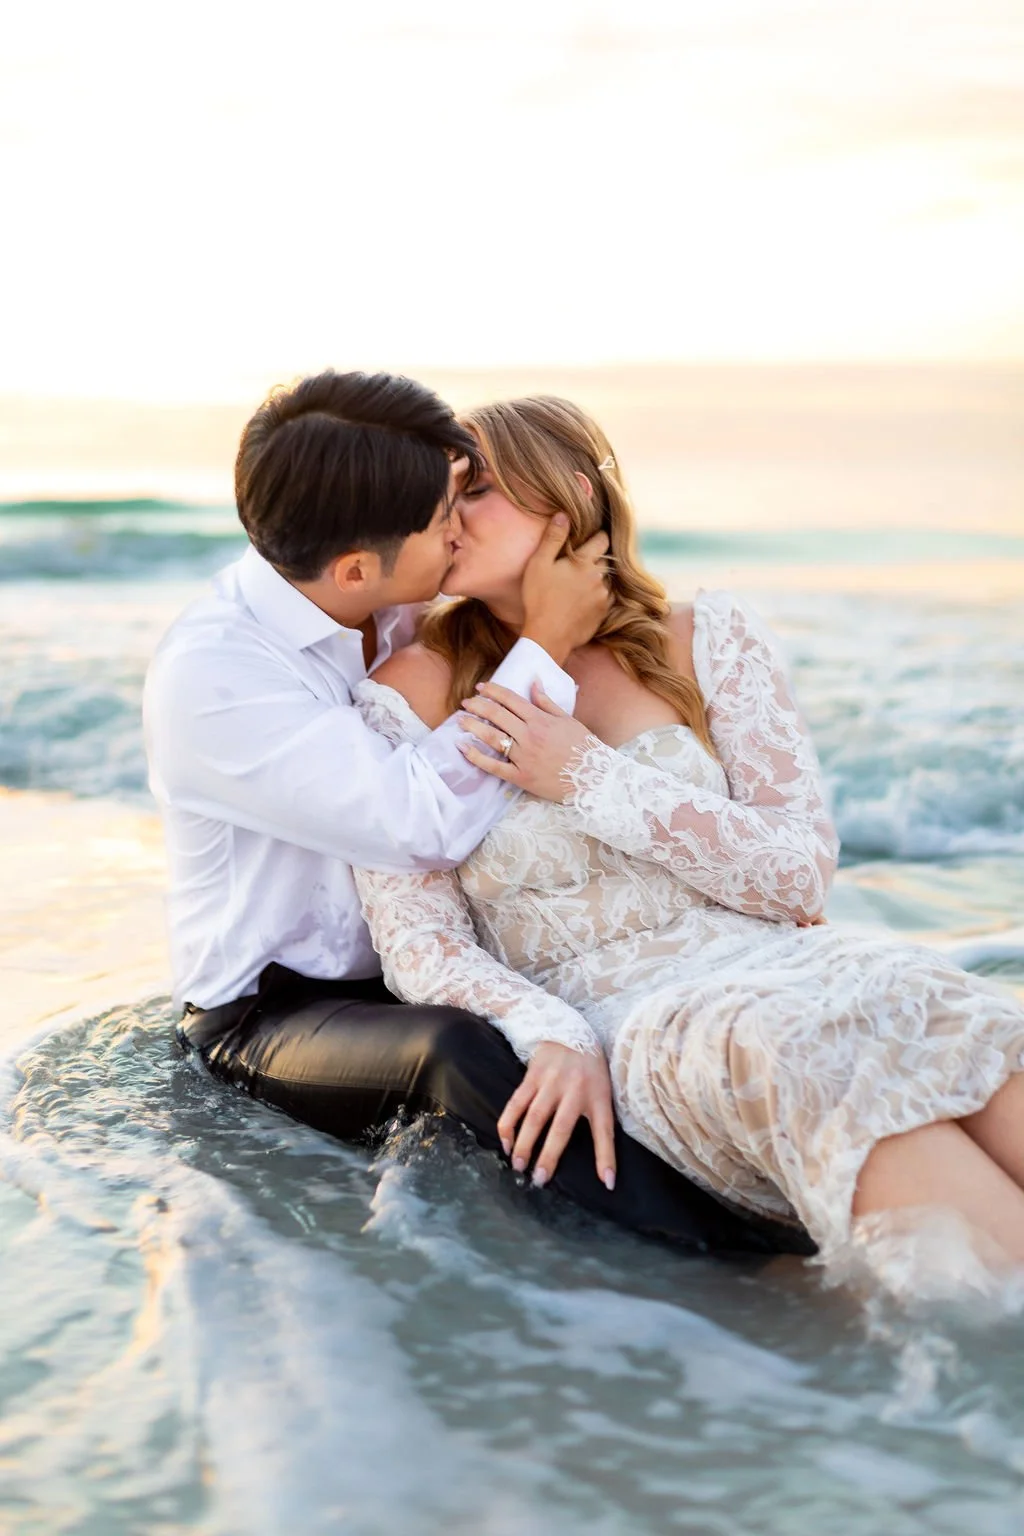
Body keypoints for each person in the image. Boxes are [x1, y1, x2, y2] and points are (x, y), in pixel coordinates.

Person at [144, 369, 808, 1258]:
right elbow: (419, 823)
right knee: (459, 1052)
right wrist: (546, 642)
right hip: (274, 1010)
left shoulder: (386, 597)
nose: (455, 526)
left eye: (465, 493)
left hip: (398, 965)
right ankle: (730, 1256)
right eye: (441, 514)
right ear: (355, 568)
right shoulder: (219, 676)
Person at [351, 393, 1024, 1271]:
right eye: (438, 496)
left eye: (473, 489)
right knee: (784, 1042)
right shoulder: (410, 684)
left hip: (788, 959)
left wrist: (584, 774)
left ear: (568, 496)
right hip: (642, 1015)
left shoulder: (706, 640)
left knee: (929, 996)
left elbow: (796, 878)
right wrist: (550, 1029)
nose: (443, 517)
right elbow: (419, 943)